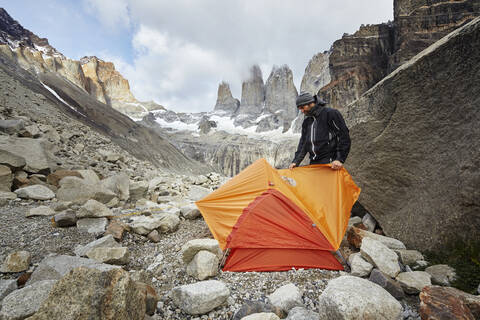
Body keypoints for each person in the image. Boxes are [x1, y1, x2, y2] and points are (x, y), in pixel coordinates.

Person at [289, 91, 351, 170]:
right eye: (299, 108)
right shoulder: (307, 121)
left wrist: (339, 159)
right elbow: (303, 143)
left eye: (302, 107)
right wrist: (296, 161)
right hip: (314, 163)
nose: (302, 111)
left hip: (330, 162)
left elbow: (344, 136)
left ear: (310, 103)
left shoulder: (331, 114)